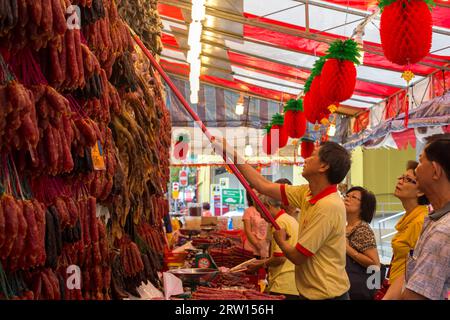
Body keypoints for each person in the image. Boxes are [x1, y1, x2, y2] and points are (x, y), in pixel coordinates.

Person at [212, 138, 351, 300]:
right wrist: (229, 151)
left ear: (323, 166)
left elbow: (298, 257)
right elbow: (262, 185)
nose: (305, 159)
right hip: (311, 293)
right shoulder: (307, 192)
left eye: (312, 156)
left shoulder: (328, 206)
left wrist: (281, 240)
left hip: (328, 295)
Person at [402, 134, 450, 300]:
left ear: (435, 171)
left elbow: (416, 296)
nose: (416, 169)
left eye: (421, 161)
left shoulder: (443, 231)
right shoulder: (436, 219)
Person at [382, 161, 429, 300]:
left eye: (408, 180)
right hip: (395, 288)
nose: (401, 182)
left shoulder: (420, 222)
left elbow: (417, 271)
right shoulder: (409, 217)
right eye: (401, 177)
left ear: (420, 191)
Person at [247, 194, 299, 299]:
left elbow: (280, 258)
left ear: (267, 206)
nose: (261, 216)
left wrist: (259, 265)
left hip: (283, 283)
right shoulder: (289, 219)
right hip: (293, 282)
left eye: (260, 212)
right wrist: (261, 262)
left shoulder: (279, 223)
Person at [344, 186, 380, 300]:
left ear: (362, 206)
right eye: (347, 195)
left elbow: (375, 264)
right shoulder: (344, 227)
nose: (347, 198)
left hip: (357, 290)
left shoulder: (362, 229)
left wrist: (348, 249)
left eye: (353, 197)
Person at [242, 190, 269, 258]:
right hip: (252, 249)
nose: (256, 195)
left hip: (267, 248)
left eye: (258, 192)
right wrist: (258, 246)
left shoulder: (267, 209)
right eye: (253, 194)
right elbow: (248, 231)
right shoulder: (248, 211)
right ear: (249, 197)